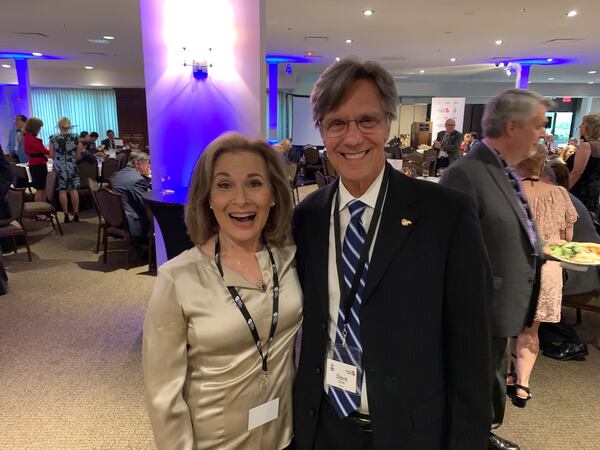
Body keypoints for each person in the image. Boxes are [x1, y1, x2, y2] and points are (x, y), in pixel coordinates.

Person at [293, 57, 491, 450]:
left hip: (411, 431)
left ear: (387, 123)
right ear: (321, 131)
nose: (352, 138)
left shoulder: (446, 214)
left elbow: (472, 350)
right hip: (322, 425)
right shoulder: (307, 217)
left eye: (366, 120)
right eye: (336, 123)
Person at [143, 132, 302, 449]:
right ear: (208, 198)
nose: (241, 199)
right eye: (225, 185)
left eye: (254, 183)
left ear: (273, 193)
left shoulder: (291, 257)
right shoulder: (178, 278)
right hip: (216, 441)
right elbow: (163, 395)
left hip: (285, 434)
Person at [440, 88, 553, 450]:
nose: (542, 133)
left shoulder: (501, 169)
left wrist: (540, 249)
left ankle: (481, 433)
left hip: (500, 300)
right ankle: (472, 437)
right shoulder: (467, 173)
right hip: (479, 304)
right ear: (512, 126)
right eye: (538, 125)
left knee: (487, 377)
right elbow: (450, 250)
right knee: (473, 380)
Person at [508, 144, 577, 407]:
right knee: (531, 331)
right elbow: (568, 239)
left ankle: (505, 376)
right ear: (541, 165)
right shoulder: (559, 193)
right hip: (547, 270)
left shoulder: (509, 193)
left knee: (504, 329)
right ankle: (523, 385)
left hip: (513, 268)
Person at [111, 151, 152, 239]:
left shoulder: (120, 173)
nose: (149, 167)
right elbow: (144, 204)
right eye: (147, 164)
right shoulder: (137, 180)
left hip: (117, 217)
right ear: (137, 164)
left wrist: (146, 178)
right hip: (132, 220)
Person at [49, 117, 83, 223]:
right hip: (72, 166)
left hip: (60, 167)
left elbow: (51, 155)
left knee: (62, 191)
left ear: (59, 125)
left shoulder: (53, 138)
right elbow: (78, 155)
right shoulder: (76, 137)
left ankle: (66, 215)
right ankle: (76, 214)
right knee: (73, 190)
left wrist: (59, 160)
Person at [568, 114, 600, 214]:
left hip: (580, 190)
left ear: (588, 127)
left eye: (582, 123)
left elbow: (576, 172)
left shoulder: (587, 146)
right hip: (593, 191)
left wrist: (563, 190)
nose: (580, 126)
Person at [23, 117, 50, 202]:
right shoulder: (36, 140)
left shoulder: (26, 137)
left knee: (39, 189)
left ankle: (40, 211)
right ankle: (42, 210)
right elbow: (46, 152)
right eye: (39, 128)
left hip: (32, 164)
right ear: (35, 128)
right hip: (39, 165)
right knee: (42, 190)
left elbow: (26, 151)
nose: (40, 130)